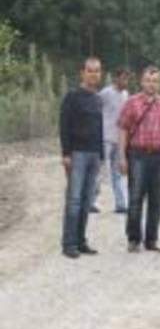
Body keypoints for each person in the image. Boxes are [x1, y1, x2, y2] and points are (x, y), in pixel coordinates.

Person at [118, 66, 160, 253]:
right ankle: (134, 239)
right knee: (135, 198)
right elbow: (122, 130)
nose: (151, 84)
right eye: (148, 80)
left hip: (159, 157)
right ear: (142, 81)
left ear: (159, 83)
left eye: (155, 81)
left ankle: (151, 240)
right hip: (137, 155)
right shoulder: (131, 102)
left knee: (156, 200)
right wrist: (122, 157)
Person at [59, 57, 104, 259]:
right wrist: (66, 154)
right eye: (90, 70)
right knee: (74, 200)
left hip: (94, 154)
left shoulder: (97, 99)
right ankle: (69, 244)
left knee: (86, 201)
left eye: (97, 71)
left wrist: (102, 154)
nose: (93, 74)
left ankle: (81, 241)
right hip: (77, 153)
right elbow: (64, 126)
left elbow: (99, 128)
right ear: (82, 73)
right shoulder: (72, 97)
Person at [92, 67, 129, 214]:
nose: (125, 81)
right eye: (123, 78)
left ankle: (120, 204)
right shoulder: (106, 93)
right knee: (100, 170)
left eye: (127, 79)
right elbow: (94, 105)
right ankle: (91, 201)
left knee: (117, 172)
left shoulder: (126, 95)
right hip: (105, 137)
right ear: (116, 78)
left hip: (119, 139)